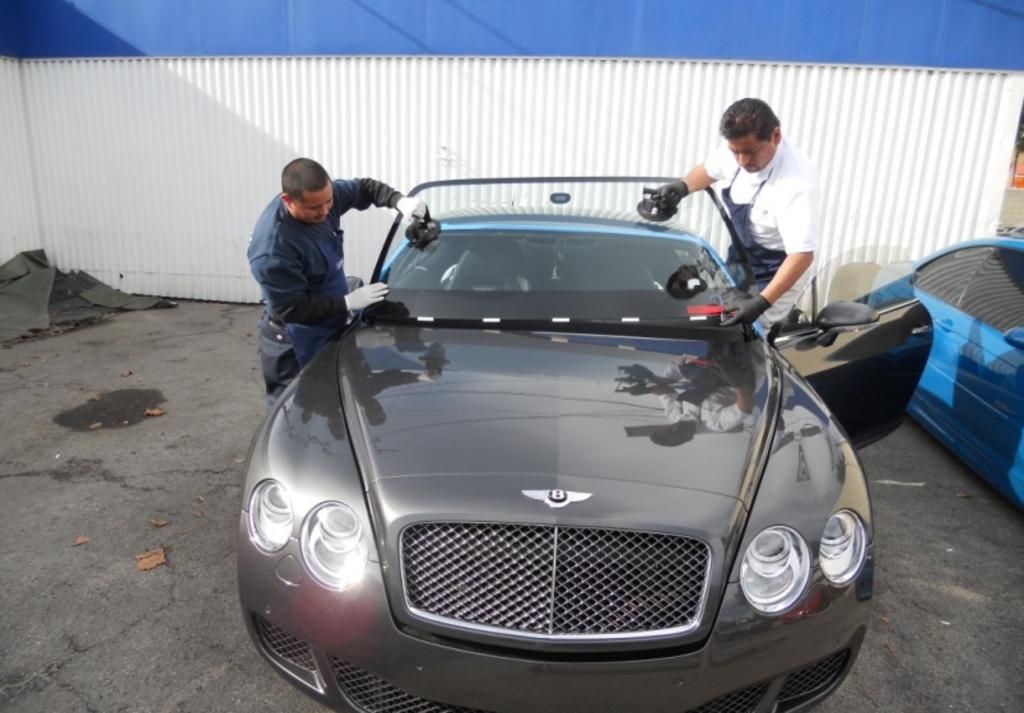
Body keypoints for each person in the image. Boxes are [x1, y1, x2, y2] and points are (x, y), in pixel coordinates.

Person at [247, 158, 427, 404]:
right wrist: (347, 302)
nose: (324, 212)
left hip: (330, 315)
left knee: (336, 397)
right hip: (295, 338)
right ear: (288, 200)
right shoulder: (273, 250)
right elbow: (290, 309)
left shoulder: (322, 198)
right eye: (314, 208)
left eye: (329, 201)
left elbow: (364, 188)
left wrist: (398, 200)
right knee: (298, 409)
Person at [654, 98, 821, 327]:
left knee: (746, 328)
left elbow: (802, 255)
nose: (743, 161)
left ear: (776, 136)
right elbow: (708, 171)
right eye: (736, 152)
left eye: (751, 152)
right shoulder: (739, 144)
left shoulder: (795, 185)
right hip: (742, 254)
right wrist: (681, 187)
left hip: (778, 268)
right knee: (713, 312)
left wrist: (761, 303)